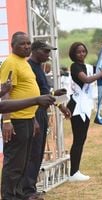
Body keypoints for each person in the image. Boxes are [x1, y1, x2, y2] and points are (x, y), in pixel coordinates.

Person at [22, 40, 72, 200]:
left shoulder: (39, 68)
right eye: (45, 51)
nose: (47, 55)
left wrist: (59, 101)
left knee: (38, 153)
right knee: (33, 153)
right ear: (35, 50)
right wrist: (32, 118)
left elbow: (44, 92)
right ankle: (27, 191)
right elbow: (29, 96)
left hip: (41, 114)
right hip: (33, 114)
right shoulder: (29, 67)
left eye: (49, 52)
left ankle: (31, 188)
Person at [0, 31, 41, 200]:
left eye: (28, 43)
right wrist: (7, 120)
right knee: (14, 163)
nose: (27, 46)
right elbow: (5, 94)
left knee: (23, 162)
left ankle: (19, 194)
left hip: (28, 118)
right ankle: (9, 196)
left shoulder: (24, 62)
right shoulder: (10, 62)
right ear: (13, 46)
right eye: (22, 44)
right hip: (16, 120)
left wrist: (34, 119)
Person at [67, 42, 102, 181]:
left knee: (81, 139)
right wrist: (101, 74)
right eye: (78, 52)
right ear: (73, 54)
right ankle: (73, 173)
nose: (81, 54)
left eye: (83, 51)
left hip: (85, 105)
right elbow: (86, 79)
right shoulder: (75, 66)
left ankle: (75, 171)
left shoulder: (89, 67)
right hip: (77, 106)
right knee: (78, 139)